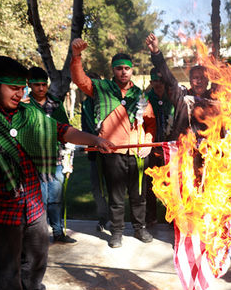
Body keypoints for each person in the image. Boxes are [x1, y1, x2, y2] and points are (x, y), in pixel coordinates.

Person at [0, 56, 114, 290]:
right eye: (14, 88)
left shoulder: (27, 113)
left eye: (22, 88)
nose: (20, 93)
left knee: (36, 257)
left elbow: (61, 130)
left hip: (32, 202)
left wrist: (95, 140)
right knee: (7, 266)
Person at [71, 38, 156, 248]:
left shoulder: (140, 94)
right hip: (112, 153)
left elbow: (151, 123)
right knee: (116, 197)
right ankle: (117, 231)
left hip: (137, 154)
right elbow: (80, 80)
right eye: (119, 68)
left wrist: (147, 141)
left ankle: (139, 228)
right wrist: (76, 56)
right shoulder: (101, 88)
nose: (124, 72)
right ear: (113, 70)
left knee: (139, 196)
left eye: (127, 68)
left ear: (132, 70)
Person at [26, 67, 77, 244]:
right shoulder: (24, 104)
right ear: (29, 85)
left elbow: (65, 129)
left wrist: (68, 157)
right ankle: (38, 235)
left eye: (43, 84)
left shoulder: (55, 103)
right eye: (36, 85)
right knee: (37, 198)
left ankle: (57, 232)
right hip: (33, 160)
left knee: (55, 197)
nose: (41, 88)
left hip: (55, 157)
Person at [145, 67, 175, 226]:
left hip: (170, 149)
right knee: (151, 184)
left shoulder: (173, 98)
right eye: (154, 81)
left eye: (160, 81)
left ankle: (171, 216)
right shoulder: (146, 99)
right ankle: (151, 216)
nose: (158, 84)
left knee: (171, 183)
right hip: (152, 147)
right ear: (151, 82)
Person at [81, 72, 109, 233]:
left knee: (114, 186)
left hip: (111, 149)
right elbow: (85, 127)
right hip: (94, 150)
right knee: (97, 186)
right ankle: (103, 217)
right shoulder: (85, 104)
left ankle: (115, 218)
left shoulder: (108, 101)